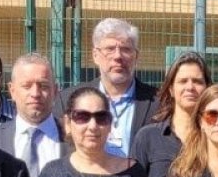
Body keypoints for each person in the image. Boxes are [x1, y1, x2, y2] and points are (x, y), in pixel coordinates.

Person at [60, 18, 158, 157]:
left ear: (136, 56)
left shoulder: (159, 103)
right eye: (110, 49)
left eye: (126, 49)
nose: (118, 56)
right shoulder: (67, 100)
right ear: (95, 55)